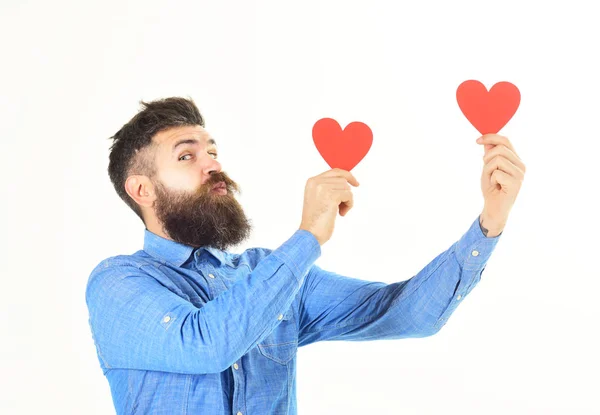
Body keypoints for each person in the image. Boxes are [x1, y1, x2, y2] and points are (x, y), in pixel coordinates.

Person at [85, 96, 526, 414]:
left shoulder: (269, 274)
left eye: (213, 151)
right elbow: (207, 344)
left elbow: (408, 314)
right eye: (187, 156)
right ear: (142, 190)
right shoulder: (118, 284)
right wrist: (308, 236)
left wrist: (490, 220)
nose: (213, 165)